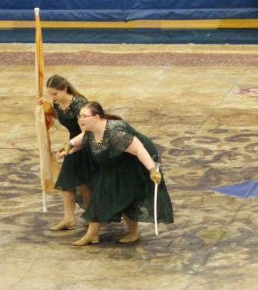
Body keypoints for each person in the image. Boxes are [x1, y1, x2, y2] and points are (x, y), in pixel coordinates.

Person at [59, 102, 173, 246]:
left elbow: (139, 149)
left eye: (84, 116)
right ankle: (93, 234)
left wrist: (152, 170)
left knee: (124, 193)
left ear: (96, 117)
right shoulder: (92, 128)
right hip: (114, 159)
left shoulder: (116, 133)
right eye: (79, 116)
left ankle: (131, 232)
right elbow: (85, 137)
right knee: (104, 189)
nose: (80, 119)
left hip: (135, 160)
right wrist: (69, 145)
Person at [42, 75, 95, 232]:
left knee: (86, 182)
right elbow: (61, 116)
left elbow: (89, 129)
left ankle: (90, 215)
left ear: (65, 89)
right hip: (72, 143)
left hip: (85, 143)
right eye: (50, 94)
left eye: (55, 93)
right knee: (67, 180)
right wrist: (44, 108)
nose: (53, 97)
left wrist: (72, 144)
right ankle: (69, 219)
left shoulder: (79, 104)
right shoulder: (58, 103)